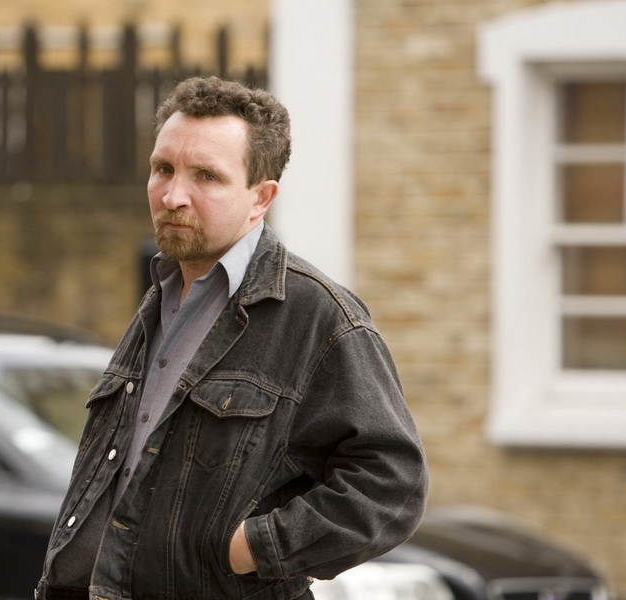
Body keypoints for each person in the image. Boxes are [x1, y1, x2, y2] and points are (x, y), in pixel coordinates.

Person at [35, 76, 428, 600]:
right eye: (163, 169)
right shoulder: (162, 294)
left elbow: (392, 485)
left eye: (206, 176)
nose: (173, 195)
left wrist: (252, 548)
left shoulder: (318, 315)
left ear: (260, 198)